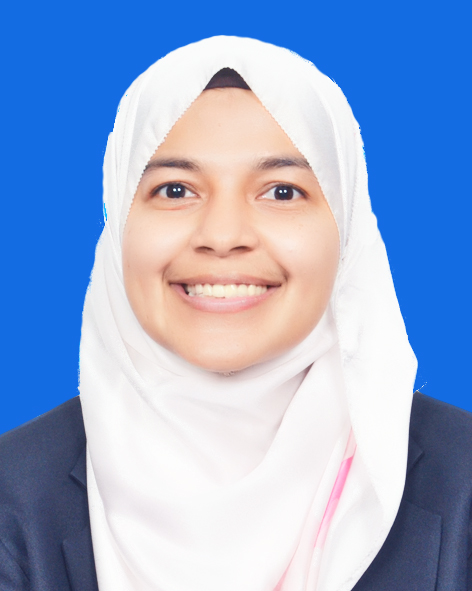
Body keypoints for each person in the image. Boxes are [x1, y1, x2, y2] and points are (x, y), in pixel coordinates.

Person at [0, 35, 471, 591]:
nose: (222, 236)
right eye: (176, 189)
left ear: (347, 229)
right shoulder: (12, 495)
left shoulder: (462, 482)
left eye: (281, 192)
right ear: (119, 223)